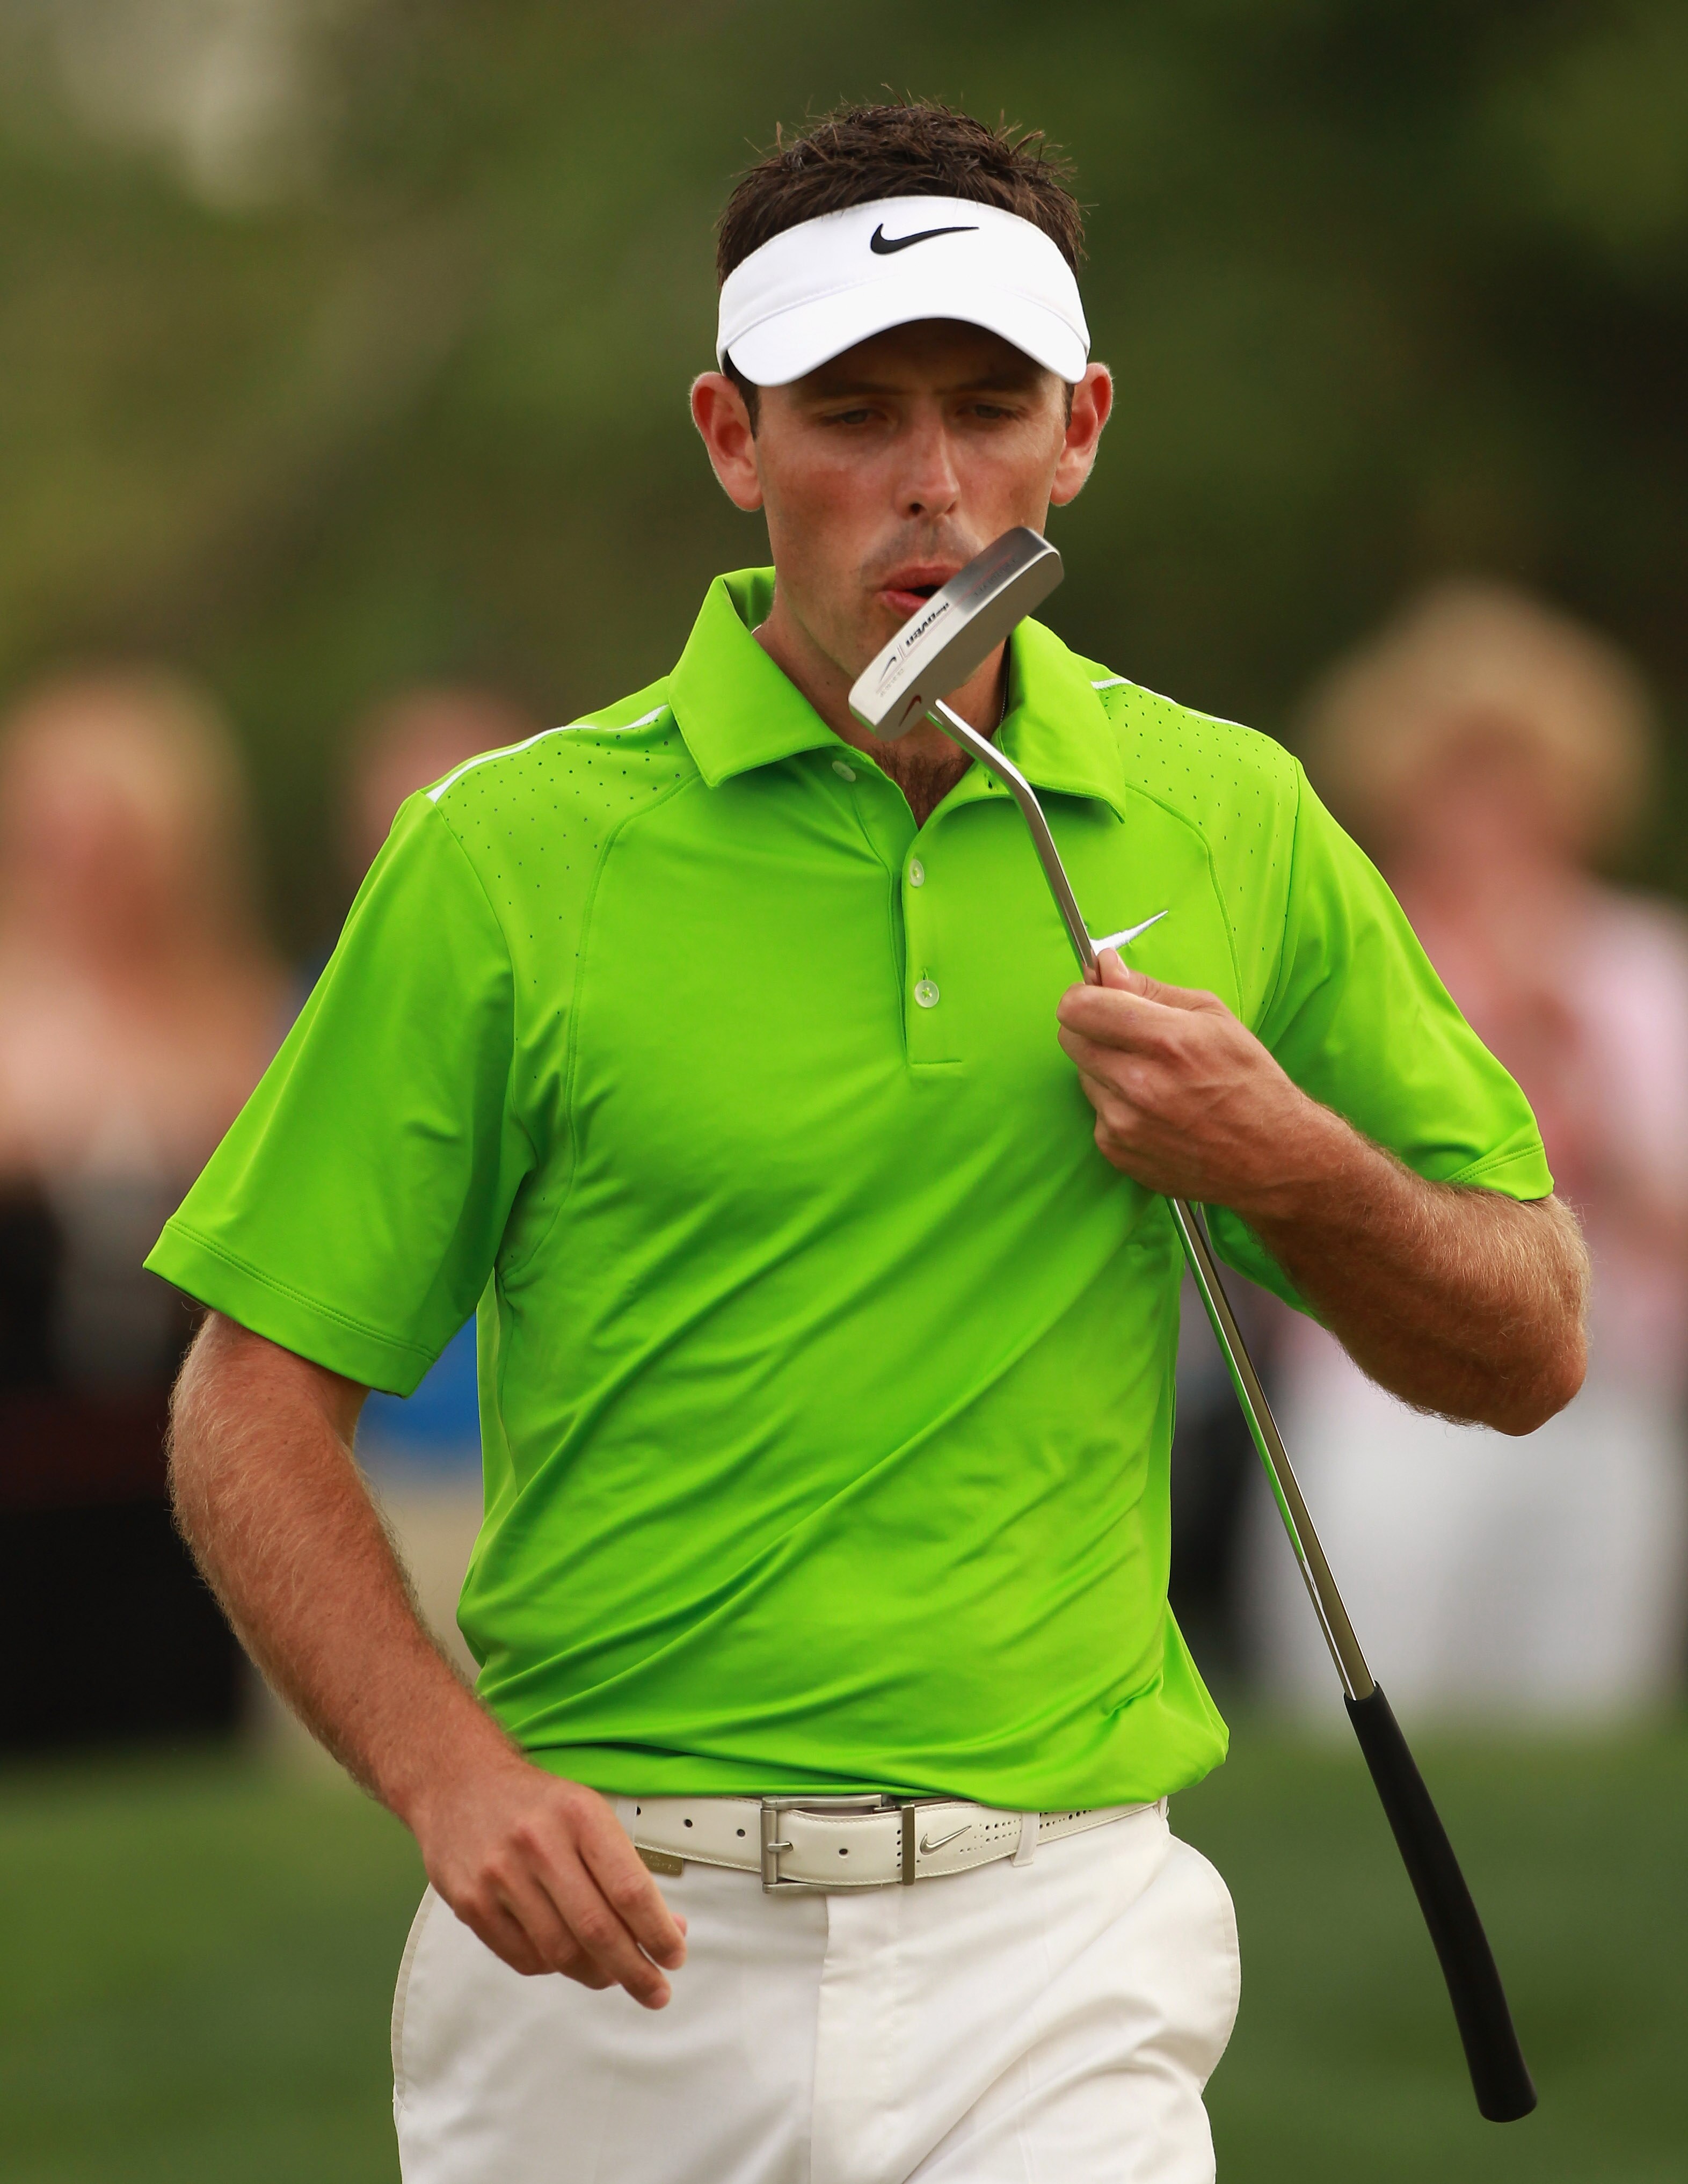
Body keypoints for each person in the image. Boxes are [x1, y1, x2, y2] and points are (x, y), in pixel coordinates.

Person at [148, 105, 1588, 2183]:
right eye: (853, 412)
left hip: (1056, 1936)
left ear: (1078, 430)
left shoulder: (1232, 815)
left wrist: (1293, 1166)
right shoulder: (505, 854)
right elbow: (248, 1399)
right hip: (608, 1955)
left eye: (988, 408)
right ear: (734, 438)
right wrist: (445, 1777)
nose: (927, 480)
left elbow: (1530, 1338)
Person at [1243, 582, 1688, 1718]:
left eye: (1522, 777)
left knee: (1579, 1726)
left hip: (1605, 1398)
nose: (1492, 813)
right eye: (1459, 776)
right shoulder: (1333, 958)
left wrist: (1577, 1071)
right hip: (1374, 1394)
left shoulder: (1639, 966)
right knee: (1364, 1716)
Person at [0, 666, 281, 1744]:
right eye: (48, 835)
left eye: (105, 837)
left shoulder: (255, 1024)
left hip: (185, 1506)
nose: (75, 870)